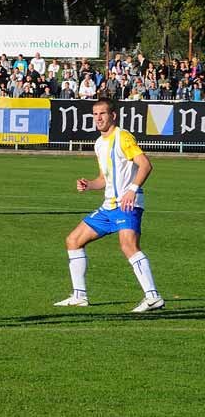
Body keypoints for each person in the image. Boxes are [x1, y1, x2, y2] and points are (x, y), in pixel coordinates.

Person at [54, 98, 164, 313]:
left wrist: (132, 189)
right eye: (95, 114)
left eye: (102, 114)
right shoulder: (99, 143)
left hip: (126, 205)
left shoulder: (122, 137)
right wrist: (89, 184)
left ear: (113, 115)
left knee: (128, 246)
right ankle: (79, 296)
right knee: (73, 240)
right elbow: (105, 178)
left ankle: (153, 297)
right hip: (108, 207)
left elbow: (145, 164)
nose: (98, 118)